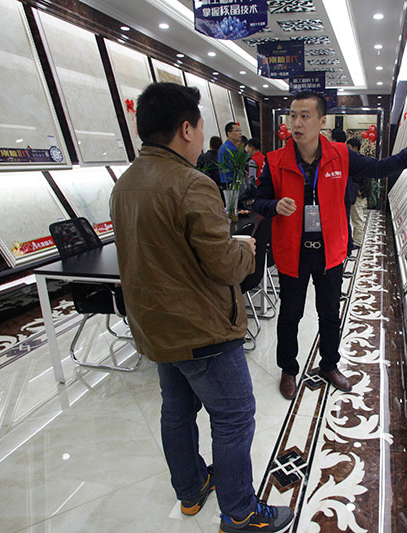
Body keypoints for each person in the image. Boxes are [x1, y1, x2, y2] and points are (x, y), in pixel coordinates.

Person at [110, 82, 293, 533]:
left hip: (156, 327)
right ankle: (240, 512)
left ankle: (191, 490)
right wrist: (245, 249)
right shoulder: (192, 184)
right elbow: (225, 266)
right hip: (201, 330)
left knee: (176, 411)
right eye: (200, 123)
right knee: (234, 416)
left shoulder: (126, 182)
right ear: (186, 129)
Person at [253, 91, 407, 400]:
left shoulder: (341, 155)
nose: (296, 123)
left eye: (304, 116)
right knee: (290, 316)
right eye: (293, 116)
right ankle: (288, 369)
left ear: (322, 121)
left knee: (329, 313)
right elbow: (258, 201)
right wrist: (274, 205)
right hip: (292, 253)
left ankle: (330, 365)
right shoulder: (275, 162)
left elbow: (381, 168)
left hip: (330, 252)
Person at [346, 137, 367, 248]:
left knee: (357, 218)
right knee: (354, 218)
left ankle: (358, 242)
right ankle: (354, 240)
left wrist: (361, 190)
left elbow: (365, 179)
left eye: (349, 147)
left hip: (358, 195)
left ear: (355, 148)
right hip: (353, 193)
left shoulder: (359, 161)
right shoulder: (355, 160)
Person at [218, 122, 243, 189]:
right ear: (229, 133)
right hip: (229, 184)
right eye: (237, 131)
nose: (240, 133)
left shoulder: (232, 147)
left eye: (240, 131)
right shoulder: (227, 149)